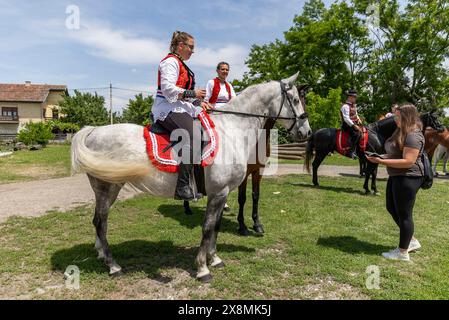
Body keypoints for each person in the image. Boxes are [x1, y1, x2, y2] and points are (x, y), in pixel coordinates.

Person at [152, 31, 213, 201]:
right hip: (167, 107)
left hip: (180, 107)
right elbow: (168, 90)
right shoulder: (170, 62)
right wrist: (194, 93)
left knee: (205, 134)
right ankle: (182, 187)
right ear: (181, 46)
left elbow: (185, 97)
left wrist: (199, 103)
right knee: (192, 135)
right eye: (191, 47)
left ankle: (200, 185)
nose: (193, 51)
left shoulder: (181, 64)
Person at [366, 104, 424, 261]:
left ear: (407, 117)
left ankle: (402, 252)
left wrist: (381, 161)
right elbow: (396, 153)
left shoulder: (413, 135)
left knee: (405, 214)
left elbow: (408, 161)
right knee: (391, 208)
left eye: (397, 116)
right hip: (397, 175)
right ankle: (411, 240)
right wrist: (380, 157)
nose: (394, 119)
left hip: (408, 177)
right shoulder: (400, 131)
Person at [340, 89, 362, 159]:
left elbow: (356, 114)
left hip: (354, 124)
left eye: (355, 97)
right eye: (354, 97)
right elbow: (346, 118)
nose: (355, 98)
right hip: (347, 125)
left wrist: (359, 119)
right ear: (350, 97)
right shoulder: (345, 106)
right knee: (356, 134)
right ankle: (351, 152)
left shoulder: (354, 106)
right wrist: (354, 125)